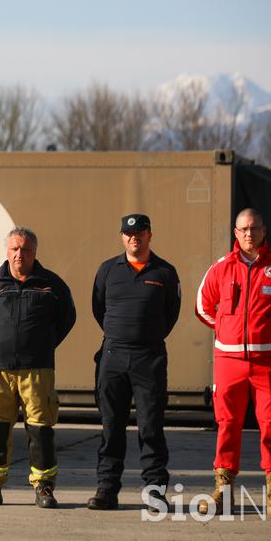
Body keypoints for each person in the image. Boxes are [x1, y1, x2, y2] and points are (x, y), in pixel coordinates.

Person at [194, 208, 271, 518]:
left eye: (254, 228)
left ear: (263, 231)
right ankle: (223, 491)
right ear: (235, 232)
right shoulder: (220, 268)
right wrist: (227, 333)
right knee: (227, 424)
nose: (249, 234)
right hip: (228, 360)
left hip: (269, 361)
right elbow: (203, 306)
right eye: (243, 229)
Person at [0, 227, 76, 508]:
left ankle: (44, 487)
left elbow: (66, 320)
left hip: (37, 370)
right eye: (14, 249)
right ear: (7, 251)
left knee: (40, 430)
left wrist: (40, 345)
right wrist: (2, 344)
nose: (19, 254)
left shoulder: (52, 285)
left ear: (34, 252)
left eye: (25, 249)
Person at [87, 214, 181, 511]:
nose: (133, 238)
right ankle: (106, 489)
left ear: (149, 235)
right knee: (111, 426)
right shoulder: (107, 270)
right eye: (128, 233)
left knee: (150, 427)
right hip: (113, 358)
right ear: (122, 237)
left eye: (139, 232)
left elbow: (171, 314)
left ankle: (154, 492)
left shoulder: (165, 272)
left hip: (148, 359)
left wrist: (145, 338)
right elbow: (98, 309)